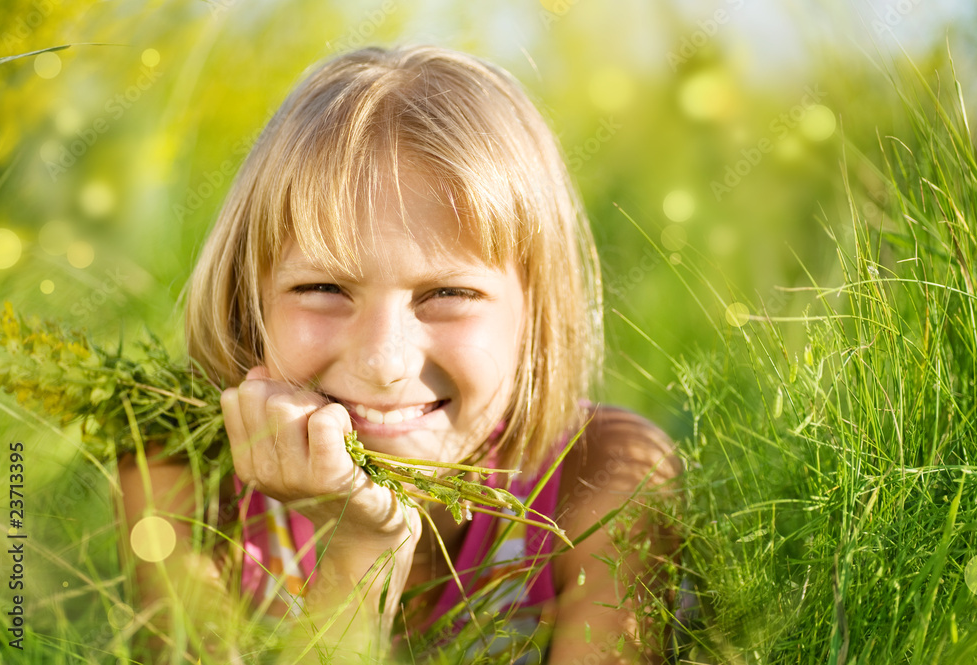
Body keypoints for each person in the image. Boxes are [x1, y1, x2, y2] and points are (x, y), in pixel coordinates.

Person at [118, 44, 680, 663]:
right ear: (248, 298)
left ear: (536, 313)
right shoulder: (180, 471)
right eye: (323, 288)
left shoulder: (606, 477)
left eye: (449, 293)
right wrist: (364, 549)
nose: (384, 362)